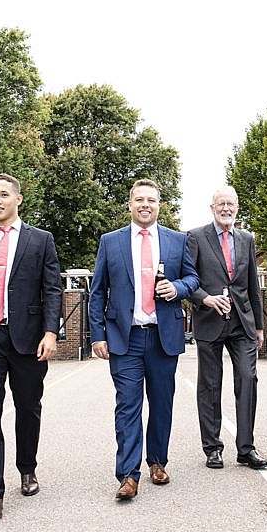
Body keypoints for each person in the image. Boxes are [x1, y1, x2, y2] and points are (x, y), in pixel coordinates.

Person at [0, 173, 62, 522]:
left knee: (28, 406)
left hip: (28, 339)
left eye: (4, 194)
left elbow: (52, 290)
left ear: (18, 199)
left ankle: (27, 467)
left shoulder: (41, 240)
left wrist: (50, 332)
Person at [89, 179, 199, 500]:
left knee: (162, 404)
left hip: (163, 337)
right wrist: (98, 335)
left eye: (151, 200)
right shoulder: (111, 242)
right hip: (125, 339)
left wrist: (177, 288)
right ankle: (128, 474)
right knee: (128, 406)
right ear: (130, 204)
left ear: (159, 206)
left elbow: (192, 278)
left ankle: (158, 461)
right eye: (139, 200)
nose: (145, 205)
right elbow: (97, 293)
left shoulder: (178, 241)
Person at [187, 186, 267, 470]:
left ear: (236, 208)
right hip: (209, 321)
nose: (226, 209)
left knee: (247, 379)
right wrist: (204, 299)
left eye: (231, 204)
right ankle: (212, 448)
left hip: (242, 323)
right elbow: (188, 280)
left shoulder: (247, 239)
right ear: (212, 208)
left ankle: (246, 448)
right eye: (221, 204)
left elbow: (251, 287)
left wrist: (258, 325)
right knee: (210, 385)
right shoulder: (196, 237)